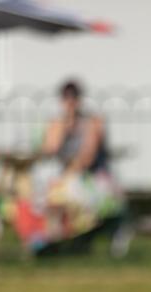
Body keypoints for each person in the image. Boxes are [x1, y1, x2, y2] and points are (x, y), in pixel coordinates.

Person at [10, 80, 123, 251]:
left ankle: (63, 241)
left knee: (62, 193)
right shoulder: (57, 123)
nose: (70, 103)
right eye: (66, 98)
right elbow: (49, 150)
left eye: (73, 98)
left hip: (88, 177)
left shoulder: (92, 123)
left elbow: (87, 158)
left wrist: (66, 176)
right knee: (32, 194)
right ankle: (47, 241)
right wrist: (63, 128)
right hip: (62, 177)